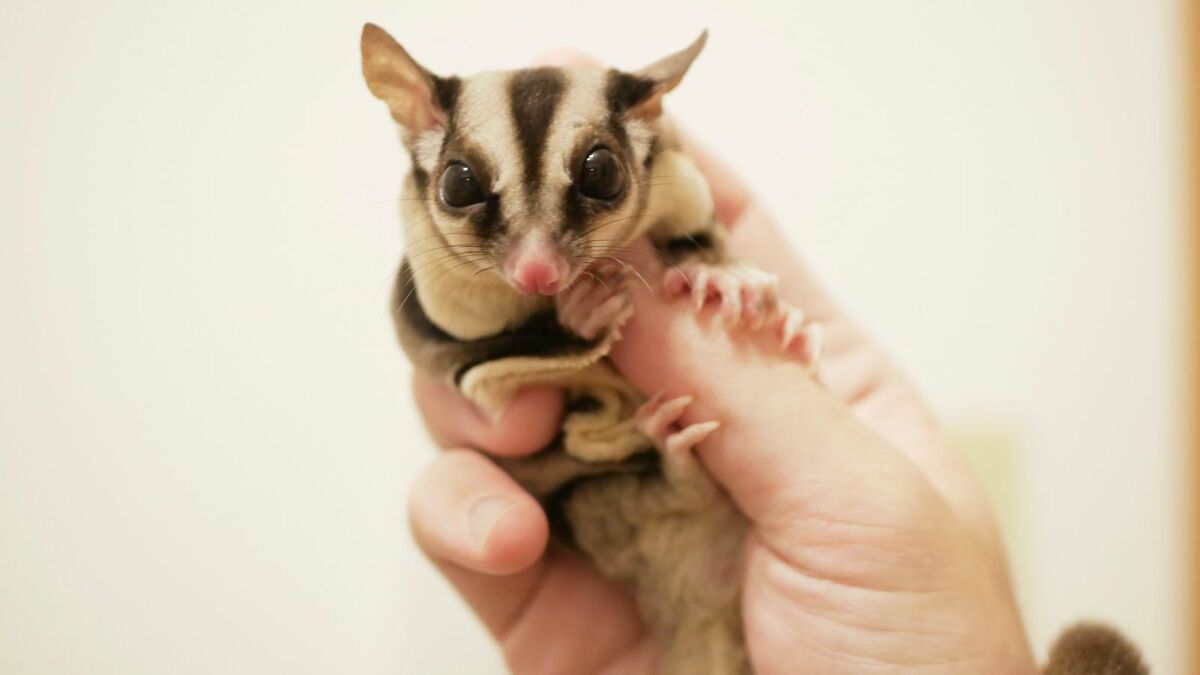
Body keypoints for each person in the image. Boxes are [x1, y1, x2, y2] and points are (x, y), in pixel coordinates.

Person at [403, 111, 1050, 673]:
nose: (537, 266)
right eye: (467, 191)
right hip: (650, 544)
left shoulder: (676, 218)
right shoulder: (459, 288)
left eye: (596, 178)